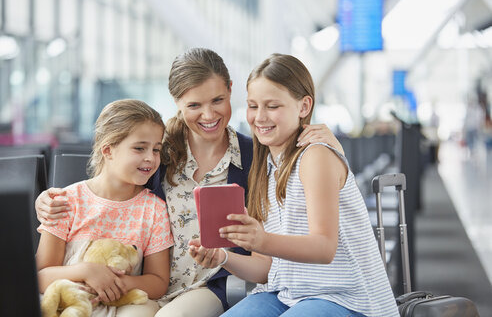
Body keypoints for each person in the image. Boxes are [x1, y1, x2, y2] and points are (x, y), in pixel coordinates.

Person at [35, 48, 345, 316]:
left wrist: (331, 144)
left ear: (231, 91)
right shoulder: (159, 151)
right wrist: (47, 198)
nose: (208, 114)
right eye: (194, 105)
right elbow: (112, 189)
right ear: (177, 102)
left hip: (213, 282)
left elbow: (301, 164)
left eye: (218, 100)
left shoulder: (256, 154)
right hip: (148, 282)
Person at [189, 54, 399, 317]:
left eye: (273, 106)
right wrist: (224, 258)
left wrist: (262, 240)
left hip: (348, 299)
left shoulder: (315, 156)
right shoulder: (264, 166)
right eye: (253, 106)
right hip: (287, 294)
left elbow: (324, 248)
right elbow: (265, 268)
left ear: (303, 107)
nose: (260, 117)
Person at [36, 99, 173, 317]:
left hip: (123, 306)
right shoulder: (66, 201)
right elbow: (40, 275)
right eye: (139, 148)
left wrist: (116, 283)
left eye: (156, 149)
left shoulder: (154, 210)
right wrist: (86, 272)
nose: (151, 158)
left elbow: (158, 282)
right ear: (108, 150)